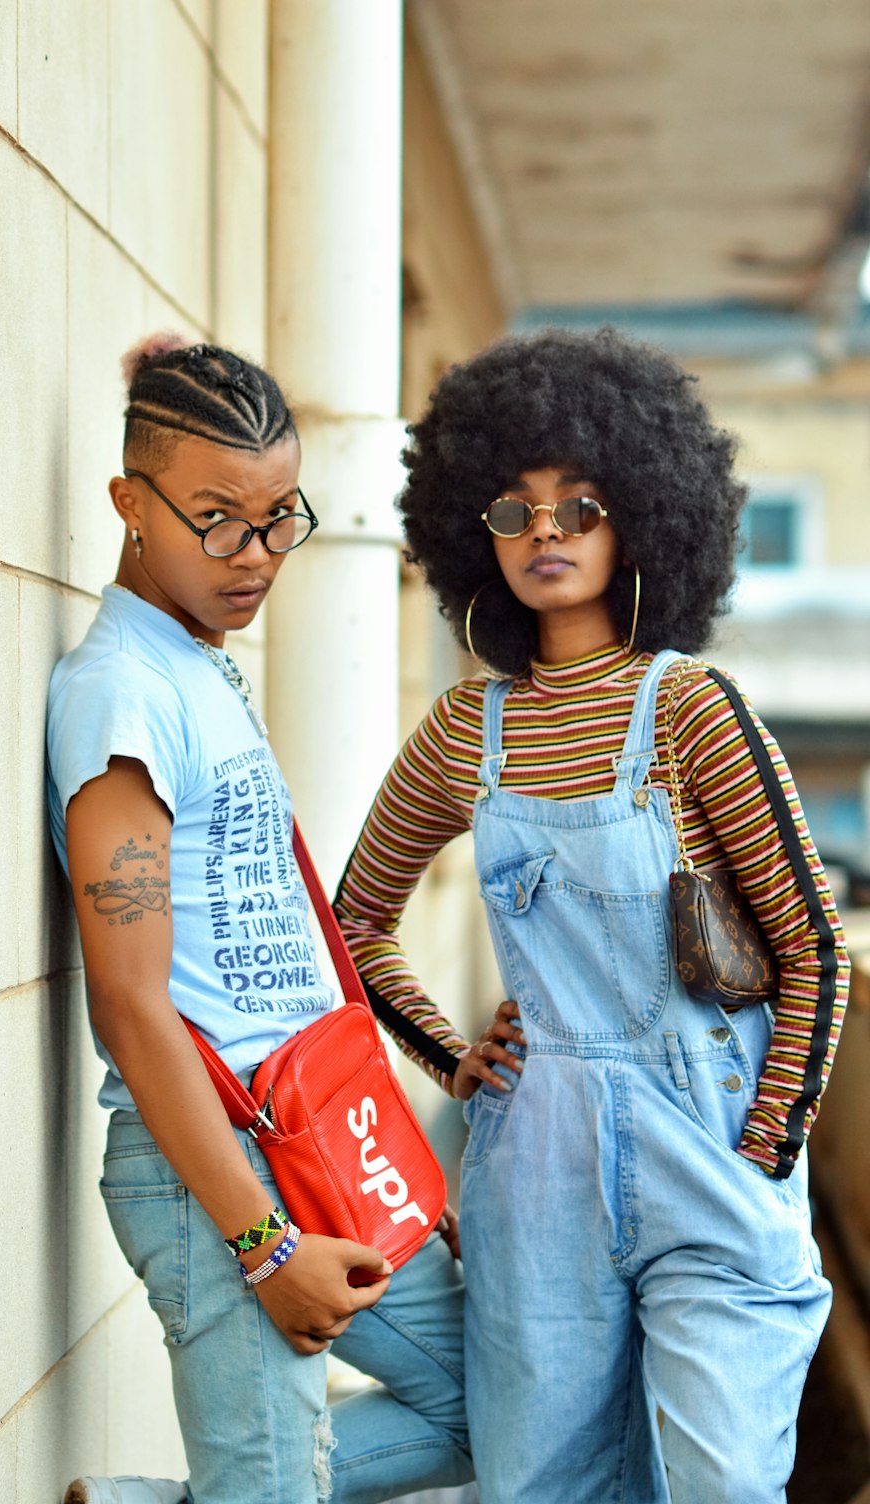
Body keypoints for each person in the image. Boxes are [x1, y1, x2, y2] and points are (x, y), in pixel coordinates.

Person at [333, 327, 850, 1503]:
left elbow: (814, 948)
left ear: (640, 519)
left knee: (719, 1480)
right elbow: (353, 918)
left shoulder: (691, 711)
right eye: (514, 513)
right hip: (537, 1162)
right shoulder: (468, 728)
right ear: (478, 536)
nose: (547, 534)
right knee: (542, 1486)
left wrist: (760, 1150)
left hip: (705, 1134)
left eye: (578, 504)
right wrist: (455, 1058)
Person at [46, 335, 472, 1504]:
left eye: (281, 516)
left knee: (505, 1401)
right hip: (215, 1164)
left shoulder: (197, 659)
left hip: (311, 1133)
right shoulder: (120, 691)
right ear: (129, 505)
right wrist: (263, 1247)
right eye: (217, 520)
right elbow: (132, 1005)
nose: (258, 555)